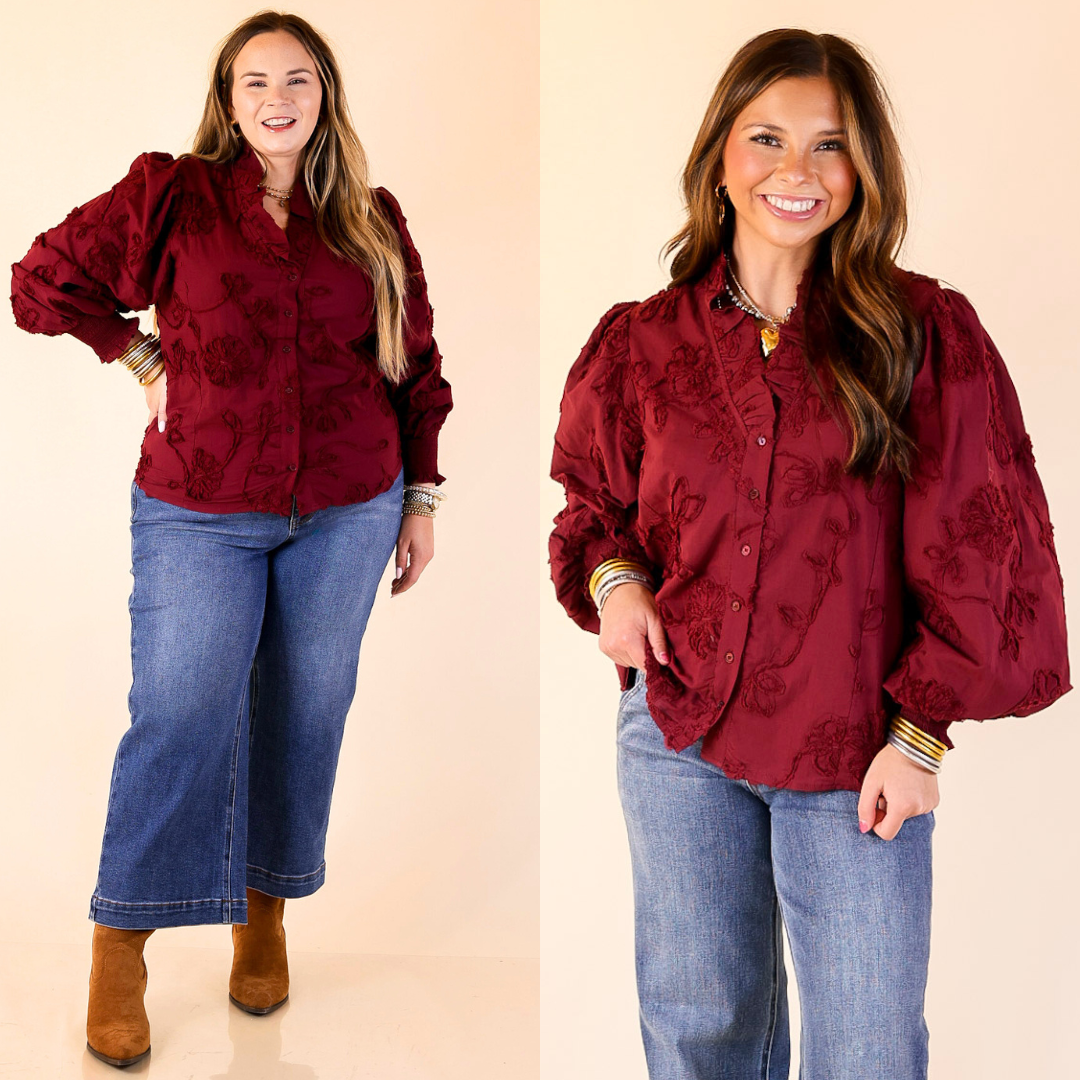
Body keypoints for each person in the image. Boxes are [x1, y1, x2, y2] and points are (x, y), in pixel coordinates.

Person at [548, 28, 1069, 1080]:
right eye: (768, 138)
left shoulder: (923, 334)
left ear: (863, 168)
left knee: (868, 1050)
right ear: (720, 157)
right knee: (699, 1034)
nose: (797, 169)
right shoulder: (642, 341)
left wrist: (919, 740)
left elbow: (982, 542)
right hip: (677, 732)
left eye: (829, 145)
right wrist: (616, 583)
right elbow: (594, 504)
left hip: (856, 754)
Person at [10, 11, 452, 1069]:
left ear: (325, 94)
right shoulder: (171, 195)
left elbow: (415, 363)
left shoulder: (371, 218)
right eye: (255, 81)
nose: (276, 98)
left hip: (349, 507)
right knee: (181, 711)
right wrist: (136, 354)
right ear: (227, 98)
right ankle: (122, 942)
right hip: (199, 508)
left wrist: (422, 496)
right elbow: (38, 284)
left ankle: (264, 916)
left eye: (297, 79)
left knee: (306, 711)